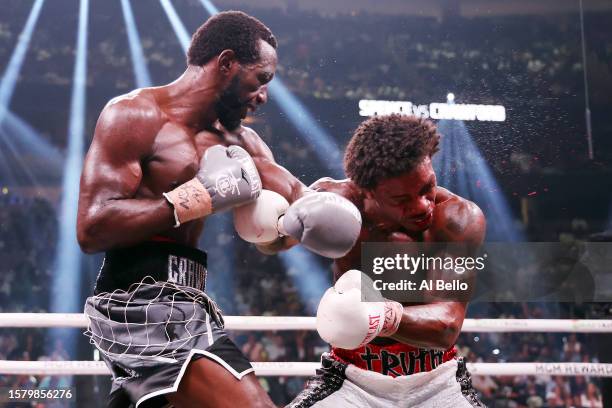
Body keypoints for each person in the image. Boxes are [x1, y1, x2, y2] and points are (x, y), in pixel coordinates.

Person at [77, 11, 361, 408]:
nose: (263, 96)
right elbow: (92, 228)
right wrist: (196, 197)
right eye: (260, 79)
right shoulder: (135, 115)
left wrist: (288, 228)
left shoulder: (244, 144)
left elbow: (299, 200)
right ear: (226, 63)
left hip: (189, 299)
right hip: (136, 302)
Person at [252, 114, 486, 407]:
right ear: (367, 191)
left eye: (427, 187)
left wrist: (380, 317)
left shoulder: (456, 219)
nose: (422, 206)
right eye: (401, 200)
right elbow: (272, 245)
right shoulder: (335, 201)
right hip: (351, 379)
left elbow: (448, 324)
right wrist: (268, 226)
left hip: (437, 382)